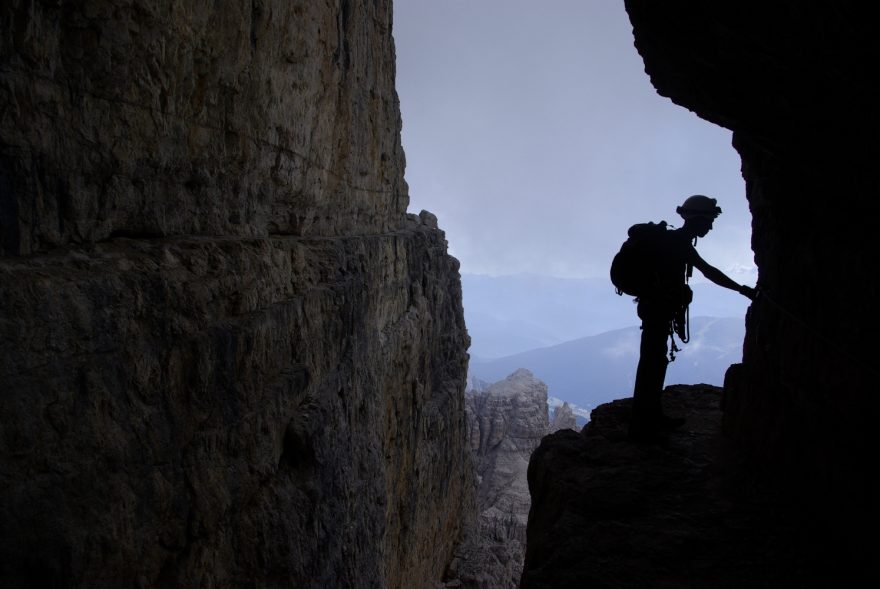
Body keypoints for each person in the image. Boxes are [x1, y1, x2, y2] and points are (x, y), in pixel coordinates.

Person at [629, 195, 756, 441]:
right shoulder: (678, 243)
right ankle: (643, 424)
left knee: (653, 360)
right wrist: (742, 289)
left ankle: (648, 417)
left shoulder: (675, 241)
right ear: (697, 220)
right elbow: (710, 272)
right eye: (708, 221)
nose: (710, 227)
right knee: (652, 362)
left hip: (655, 307)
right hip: (658, 309)